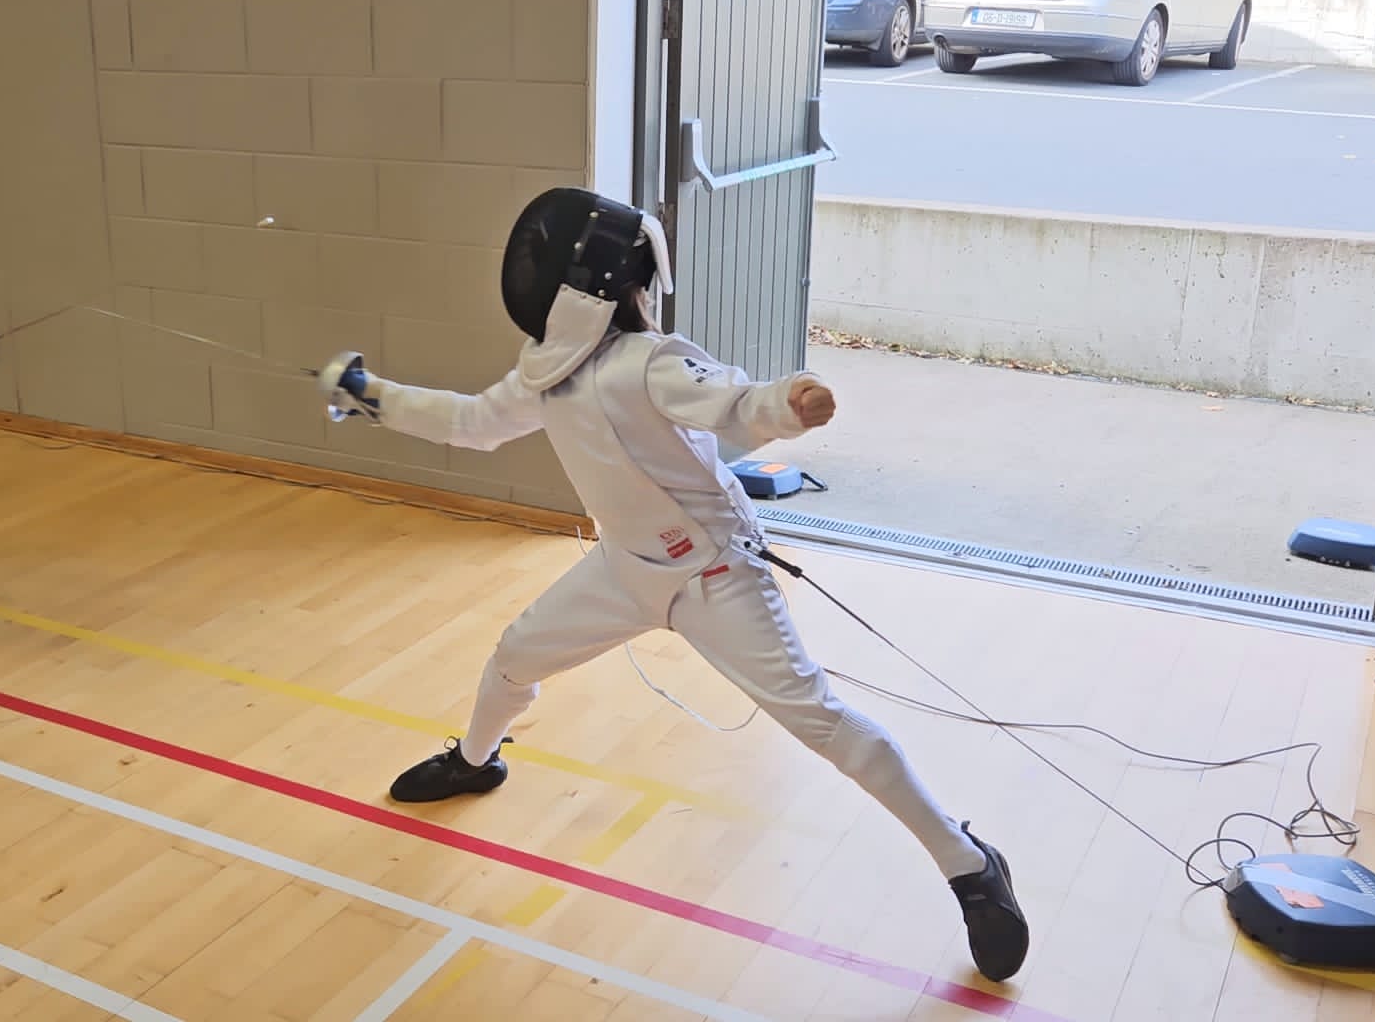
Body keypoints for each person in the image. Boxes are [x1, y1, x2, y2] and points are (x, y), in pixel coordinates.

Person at [316, 186, 1030, 982]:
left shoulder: (649, 362)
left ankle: (968, 864)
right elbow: (470, 423)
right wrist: (371, 394)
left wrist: (788, 402)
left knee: (821, 722)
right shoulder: (545, 375)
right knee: (515, 656)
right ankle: (477, 761)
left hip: (716, 577)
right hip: (624, 570)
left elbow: (730, 401)